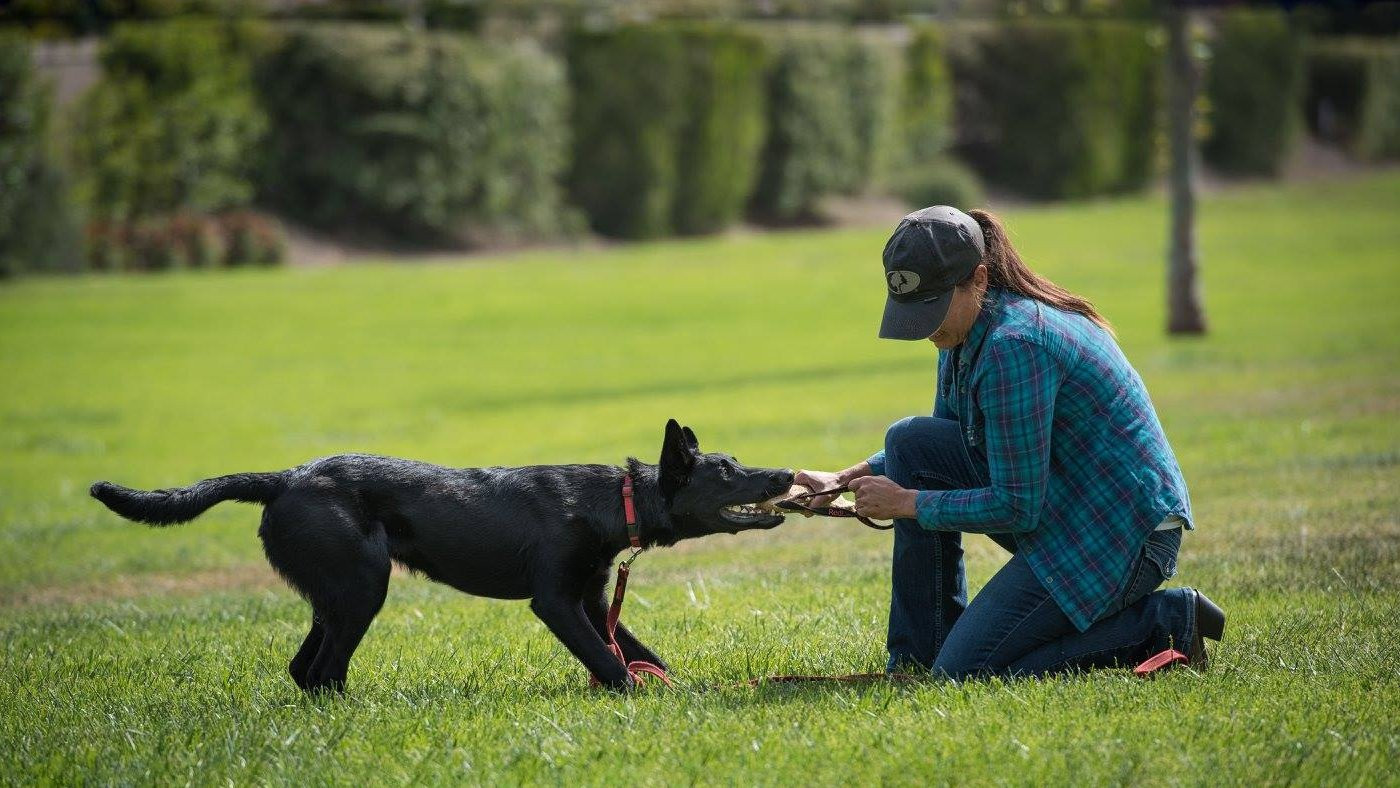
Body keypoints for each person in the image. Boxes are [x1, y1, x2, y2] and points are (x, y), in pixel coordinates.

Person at [797, 206, 1224, 680]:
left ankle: (1165, 622)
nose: (925, 327)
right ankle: (919, 657)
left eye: (932, 308)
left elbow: (1018, 506)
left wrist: (908, 503)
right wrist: (845, 478)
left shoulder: (1014, 346)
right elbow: (940, 452)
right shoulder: (964, 333)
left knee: (964, 675)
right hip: (1070, 510)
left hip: (1121, 535)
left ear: (978, 279)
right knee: (908, 443)